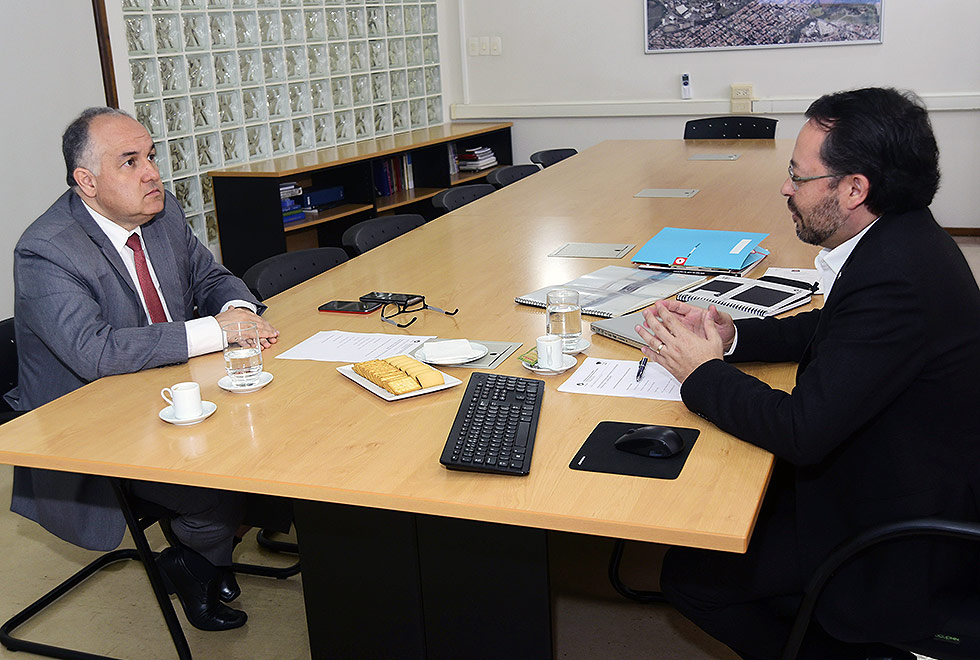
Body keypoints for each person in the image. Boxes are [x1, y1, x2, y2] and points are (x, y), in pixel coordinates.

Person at [636, 88, 980, 660]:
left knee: (695, 578)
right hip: (899, 468)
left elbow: (802, 430)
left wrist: (701, 373)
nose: (785, 189)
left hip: (895, 528)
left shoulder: (895, 276)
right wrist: (733, 335)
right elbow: (838, 329)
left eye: (798, 176)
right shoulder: (902, 237)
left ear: (853, 189)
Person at [5, 107, 280, 631]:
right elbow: (96, 354)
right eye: (129, 162)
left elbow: (210, 278)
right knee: (214, 488)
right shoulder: (46, 250)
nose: (152, 172)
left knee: (278, 438)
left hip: (163, 386)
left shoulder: (161, 214)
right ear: (86, 182)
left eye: (150, 156)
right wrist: (216, 331)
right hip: (87, 421)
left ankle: (206, 557)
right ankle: (198, 560)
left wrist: (239, 310)